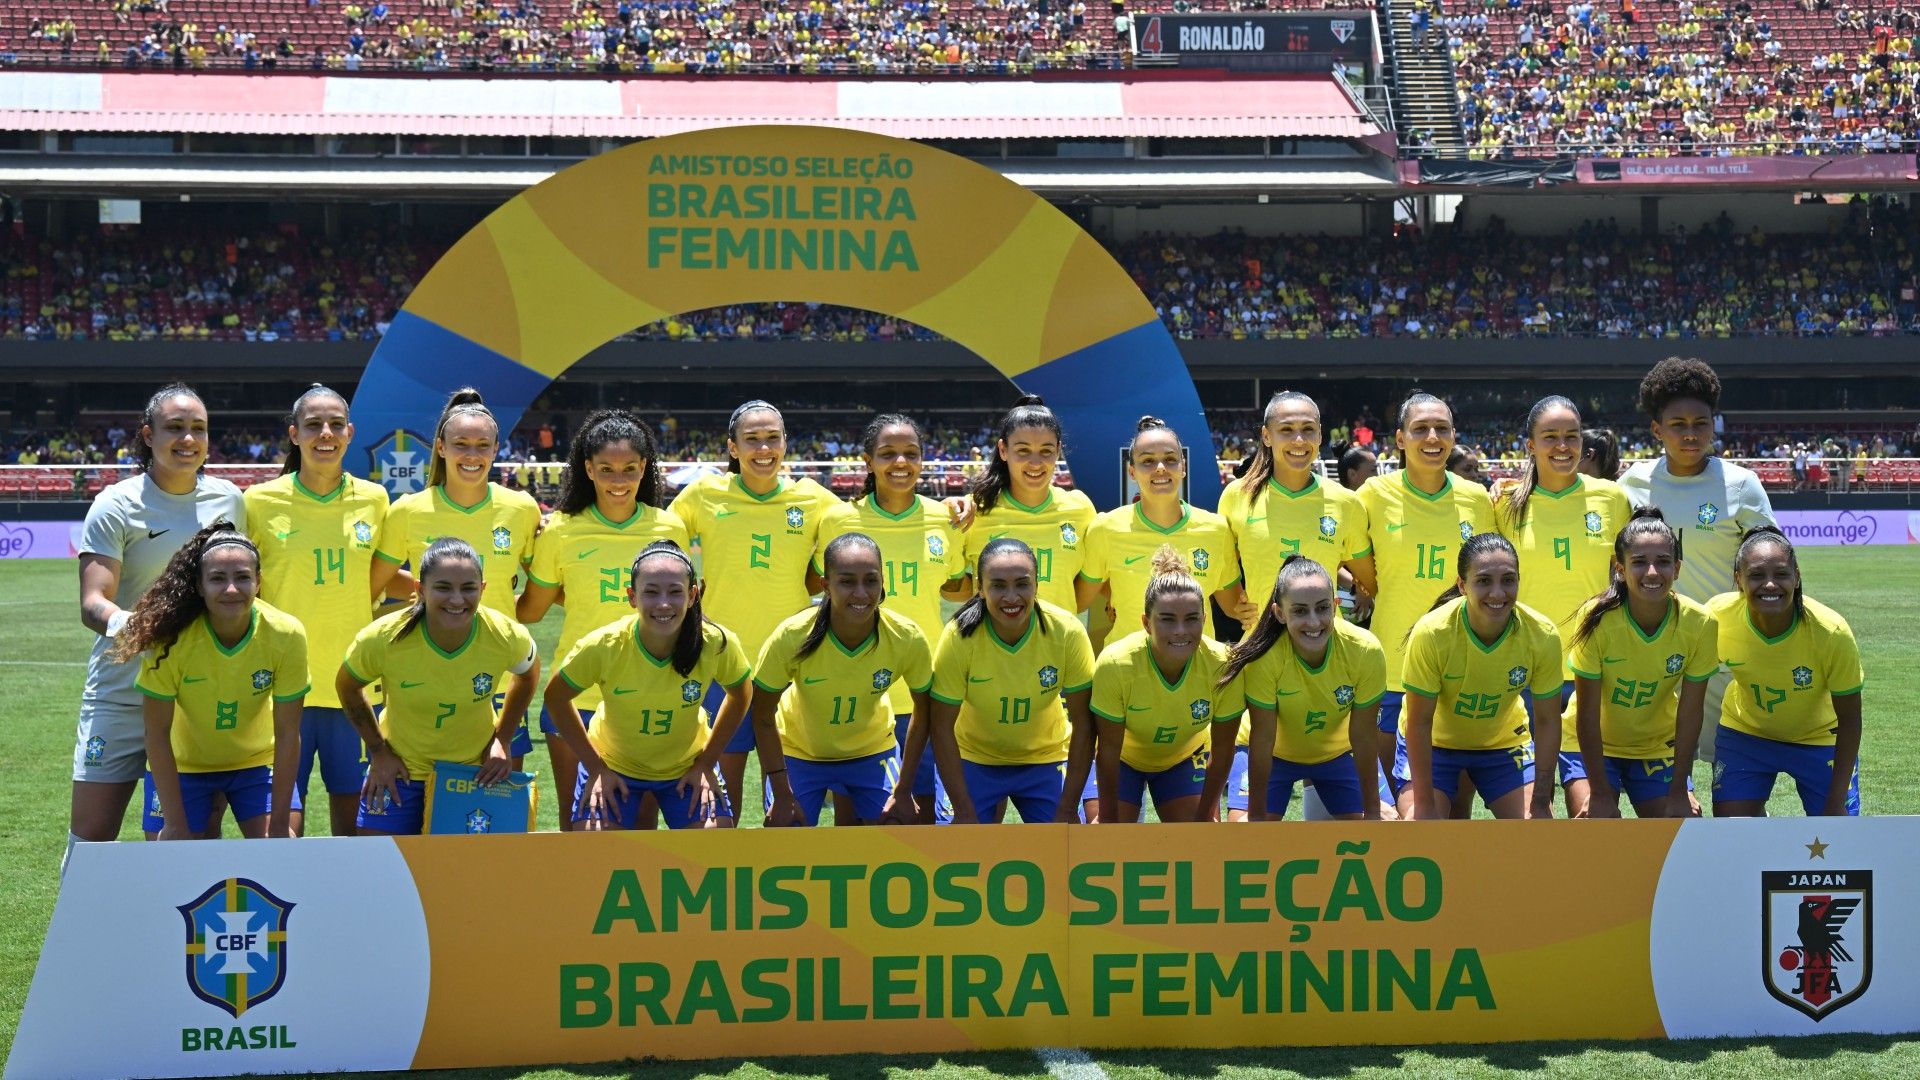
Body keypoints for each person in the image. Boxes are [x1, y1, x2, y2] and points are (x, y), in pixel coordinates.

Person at [71, 383, 247, 858]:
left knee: (184, 846)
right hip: (123, 691)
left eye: (198, 429)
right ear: (148, 435)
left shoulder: (230, 502)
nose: (188, 439)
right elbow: (93, 602)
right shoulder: (116, 504)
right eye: (175, 428)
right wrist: (145, 631)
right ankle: (82, 934)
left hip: (196, 699)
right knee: (91, 841)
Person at [668, 400, 838, 822]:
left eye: (772, 439)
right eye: (752, 440)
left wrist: (952, 508)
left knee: (788, 809)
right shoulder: (703, 495)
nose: (764, 449)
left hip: (792, 668)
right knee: (716, 809)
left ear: (785, 444)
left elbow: (869, 522)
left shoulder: (814, 498)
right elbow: (655, 531)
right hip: (721, 665)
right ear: (732, 447)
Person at [518, 410, 689, 829]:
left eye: (630, 469)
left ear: (644, 468)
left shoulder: (669, 528)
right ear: (588, 469)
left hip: (648, 699)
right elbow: (533, 610)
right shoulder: (560, 530)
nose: (619, 479)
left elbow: (681, 609)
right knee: (577, 825)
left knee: (641, 828)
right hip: (576, 698)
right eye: (607, 469)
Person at [243, 383, 390, 837]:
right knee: (281, 828)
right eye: (312, 425)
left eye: (333, 425)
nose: (324, 433)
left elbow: (383, 574)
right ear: (294, 434)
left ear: (349, 432)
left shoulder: (375, 499)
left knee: (354, 829)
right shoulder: (257, 502)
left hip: (355, 685)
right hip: (284, 688)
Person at [370, 388, 541, 763]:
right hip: (423, 671)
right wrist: (425, 593)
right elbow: (375, 582)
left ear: (496, 449)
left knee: (497, 800)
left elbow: (543, 581)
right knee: (417, 791)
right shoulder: (408, 511)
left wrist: (513, 608)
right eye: (461, 444)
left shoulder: (521, 508)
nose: (472, 455)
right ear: (441, 448)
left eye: (483, 445)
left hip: (495, 673)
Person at [1618, 357, 1774, 766]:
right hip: (1654, 653)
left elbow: (1773, 563)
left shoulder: (1741, 484)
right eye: (1678, 424)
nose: (1691, 434)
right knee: (1661, 775)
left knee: (1736, 780)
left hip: (1725, 652)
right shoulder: (1633, 482)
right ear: (1657, 429)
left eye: (1700, 423)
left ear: (1714, 424)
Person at [815, 414, 968, 823]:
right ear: (868, 461)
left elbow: (957, 586)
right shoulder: (839, 521)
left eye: (911, 453)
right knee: (855, 821)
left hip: (923, 688)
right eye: (887, 454)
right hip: (857, 691)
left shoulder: (947, 520)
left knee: (920, 815)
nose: (900, 462)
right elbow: (816, 581)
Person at [543, 541, 751, 830]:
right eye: (651, 592)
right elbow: (555, 698)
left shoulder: (715, 642)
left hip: (686, 765)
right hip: (614, 763)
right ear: (632, 596)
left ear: (693, 595)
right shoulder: (604, 645)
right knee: (594, 847)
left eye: (675, 592)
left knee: (712, 843)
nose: (663, 604)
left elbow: (741, 694)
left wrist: (706, 762)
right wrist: (595, 767)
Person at [339, 537, 540, 836]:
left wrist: (504, 739)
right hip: (399, 774)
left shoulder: (506, 635)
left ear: (483, 589)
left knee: (467, 877)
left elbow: (528, 675)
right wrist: (378, 751)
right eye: (443, 587)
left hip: (472, 775)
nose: (457, 600)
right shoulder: (382, 638)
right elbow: (347, 686)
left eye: (468, 588)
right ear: (420, 589)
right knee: (381, 870)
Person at [118, 524, 307, 840]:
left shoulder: (286, 634)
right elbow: (156, 734)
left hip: (256, 763)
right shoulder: (170, 639)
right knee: (176, 863)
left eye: (243, 577)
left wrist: (277, 828)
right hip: (183, 767)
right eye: (218, 578)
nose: (231, 589)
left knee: (279, 852)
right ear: (200, 586)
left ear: (258, 582)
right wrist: (175, 823)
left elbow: (288, 734)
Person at [1492, 395, 1633, 817]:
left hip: (1591, 671)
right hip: (1522, 672)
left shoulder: (1611, 499)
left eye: (1571, 436)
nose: (1562, 446)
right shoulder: (1503, 503)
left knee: (1590, 809)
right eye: (1549, 437)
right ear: (1530, 446)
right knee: (1529, 813)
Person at [1356, 392, 1496, 805]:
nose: (1432, 437)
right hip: (1389, 672)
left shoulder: (1477, 499)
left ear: (1454, 436)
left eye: (1442, 429)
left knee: (1455, 813)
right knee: (1390, 809)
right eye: (1420, 429)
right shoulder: (1371, 495)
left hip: (1461, 671)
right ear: (1400, 439)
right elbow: (1344, 556)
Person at [902, 538, 1095, 824]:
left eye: (1022, 583)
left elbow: (1084, 723)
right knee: (960, 849)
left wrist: (1067, 808)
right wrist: (963, 808)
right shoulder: (959, 637)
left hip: (1045, 757)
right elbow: (940, 727)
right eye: (998, 585)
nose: (1011, 596)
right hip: (974, 759)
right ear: (980, 589)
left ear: (1037, 585)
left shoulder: (1066, 632)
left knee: (1066, 848)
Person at [755, 533, 933, 826]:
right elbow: (762, 714)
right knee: (785, 829)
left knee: (897, 822)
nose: (861, 593)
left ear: (882, 582)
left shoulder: (906, 637)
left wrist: (903, 789)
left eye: (871, 580)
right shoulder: (793, 635)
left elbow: (925, 710)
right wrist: (781, 791)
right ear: (826, 585)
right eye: (847, 581)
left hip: (872, 751)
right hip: (800, 752)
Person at [1394, 533, 1564, 821]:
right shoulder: (1433, 633)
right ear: (1462, 585)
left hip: (1503, 745)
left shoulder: (1542, 635)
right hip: (1434, 745)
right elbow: (1419, 722)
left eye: (1508, 580)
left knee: (1536, 832)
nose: (1498, 593)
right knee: (1420, 826)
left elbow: (1548, 721)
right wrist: (1424, 805)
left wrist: (1540, 801)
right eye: (1484, 581)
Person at [1566, 508, 1718, 819]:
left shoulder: (1700, 622)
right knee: (1597, 823)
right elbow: (1587, 712)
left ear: (1677, 568)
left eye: (1663, 562)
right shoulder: (1596, 619)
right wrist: (1598, 792)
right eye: (1639, 563)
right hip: (1592, 747)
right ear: (1620, 568)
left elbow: (1691, 713)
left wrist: (1679, 791)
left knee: (1680, 822)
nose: (1652, 573)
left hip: (1655, 746)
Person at [1218, 554, 1388, 822]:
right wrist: (1256, 819)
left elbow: (1364, 736)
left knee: (1387, 823)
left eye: (1322, 608)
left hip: (1338, 752)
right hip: (1273, 754)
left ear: (1334, 606)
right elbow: (1263, 740)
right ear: (1279, 613)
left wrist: (1375, 814)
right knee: (1245, 832)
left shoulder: (1365, 650)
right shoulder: (1265, 655)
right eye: (1299, 611)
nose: (1313, 621)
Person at [1082, 546, 1244, 824]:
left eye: (1192, 619)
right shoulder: (1116, 664)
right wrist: (1109, 819)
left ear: (1204, 620)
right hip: (1123, 760)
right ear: (1146, 623)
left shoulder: (1223, 665)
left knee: (1199, 840)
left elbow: (1223, 749)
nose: (1180, 630)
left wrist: (1205, 816)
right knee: (1107, 838)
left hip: (1182, 758)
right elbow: (1107, 751)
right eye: (1167, 619)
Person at [1708, 527, 1862, 817]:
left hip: (1819, 738)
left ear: (1797, 576)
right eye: (1756, 575)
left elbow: (1851, 718)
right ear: (1738, 580)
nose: (1769, 585)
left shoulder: (1831, 632)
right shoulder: (1717, 617)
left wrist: (1835, 801)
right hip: (1746, 734)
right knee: (1731, 831)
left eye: (1781, 574)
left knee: (1837, 838)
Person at [1081, 416, 1248, 637]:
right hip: (1128, 669)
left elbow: (1236, 607)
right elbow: (1076, 600)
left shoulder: (1216, 530)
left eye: (1170, 459)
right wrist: (1115, 597)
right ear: (1132, 472)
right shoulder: (1105, 528)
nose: (1160, 468)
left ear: (1183, 467)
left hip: (1197, 667)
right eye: (1148, 461)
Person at [961, 395, 1097, 618]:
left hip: (1059, 649)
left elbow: (1086, 589)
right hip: (992, 648)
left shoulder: (1080, 508)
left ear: (1058, 449)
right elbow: (950, 582)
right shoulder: (975, 509)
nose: (1036, 462)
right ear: (1003, 450)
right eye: (1023, 450)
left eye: (1046, 450)